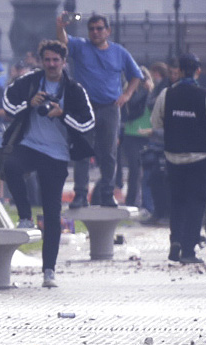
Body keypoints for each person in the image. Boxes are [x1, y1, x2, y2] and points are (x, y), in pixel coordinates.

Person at [1, 40, 95, 288]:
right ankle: (24, 216)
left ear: (64, 62)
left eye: (56, 60)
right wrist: (29, 104)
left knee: (53, 213)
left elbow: (88, 124)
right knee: (10, 165)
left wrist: (61, 114)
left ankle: (49, 270)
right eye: (47, 60)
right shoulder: (31, 81)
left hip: (57, 155)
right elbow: (8, 103)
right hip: (30, 145)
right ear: (42, 61)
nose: (52, 64)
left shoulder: (74, 89)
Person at [56, 13, 142, 208]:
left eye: (99, 28)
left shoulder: (119, 52)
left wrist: (127, 94)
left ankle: (107, 193)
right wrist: (60, 26)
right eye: (92, 29)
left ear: (108, 31)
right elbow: (64, 41)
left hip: (110, 108)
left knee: (109, 153)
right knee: (82, 151)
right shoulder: (81, 46)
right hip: (84, 108)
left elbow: (136, 75)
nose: (95, 32)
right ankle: (80, 194)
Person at [150, 53, 206, 265]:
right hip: (199, 157)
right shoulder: (203, 95)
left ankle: (175, 242)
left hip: (173, 156)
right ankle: (189, 250)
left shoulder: (166, 94)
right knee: (196, 203)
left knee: (178, 200)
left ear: (179, 71)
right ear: (198, 71)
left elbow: (156, 123)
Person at [118, 67, 153, 208]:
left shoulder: (152, 94)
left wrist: (148, 92)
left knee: (148, 170)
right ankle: (132, 200)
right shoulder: (129, 95)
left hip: (149, 135)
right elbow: (130, 110)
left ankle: (147, 202)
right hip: (131, 134)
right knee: (135, 169)